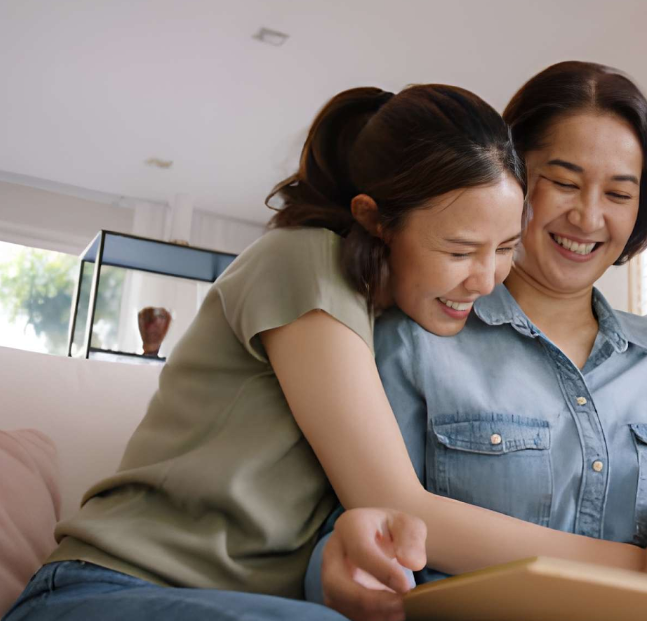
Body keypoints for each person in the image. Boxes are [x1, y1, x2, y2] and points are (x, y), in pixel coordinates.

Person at [2, 83, 526, 621]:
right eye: (461, 250)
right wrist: (619, 565)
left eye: (507, 247)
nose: (487, 279)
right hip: (101, 589)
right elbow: (398, 500)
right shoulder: (309, 261)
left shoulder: (395, 325)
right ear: (375, 219)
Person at [308, 62, 647, 620]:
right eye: (563, 182)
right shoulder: (412, 338)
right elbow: (343, 538)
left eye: (618, 192)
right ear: (509, 177)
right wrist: (338, 565)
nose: (588, 217)